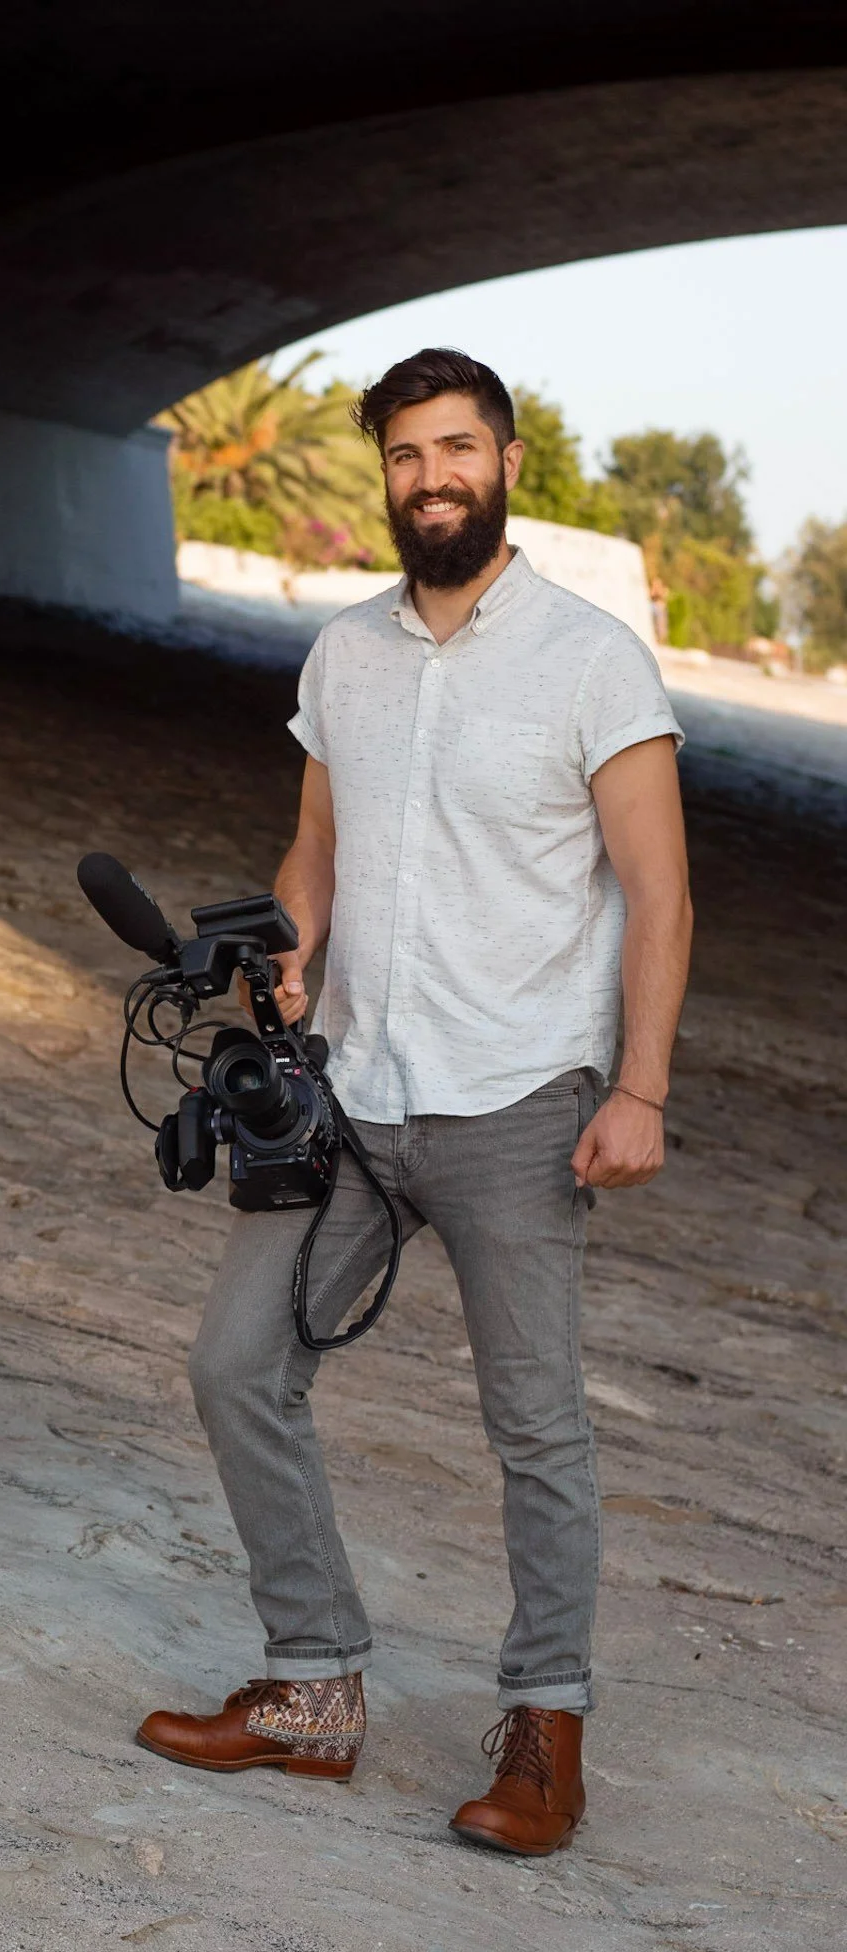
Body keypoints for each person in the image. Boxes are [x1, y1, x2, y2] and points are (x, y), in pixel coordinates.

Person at [136, 348, 691, 1857]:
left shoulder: (591, 658)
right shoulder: (346, 657)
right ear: (385, 474)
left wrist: (639, 1085)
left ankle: (546, 1730)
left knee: (535, 1426)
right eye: (403, 455)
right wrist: (295, 957)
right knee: (237, 1363)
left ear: (508, 464)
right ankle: (313, 1686)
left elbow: (658, 888)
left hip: (521, 1099)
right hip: (350, 1097)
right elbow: (315, 843)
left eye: (457, 449)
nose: (429, 476)